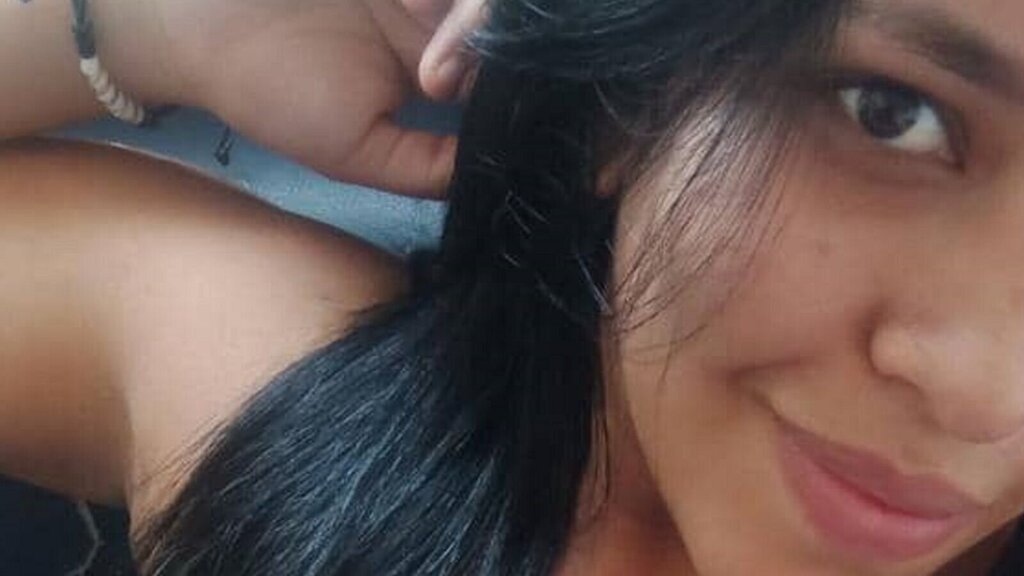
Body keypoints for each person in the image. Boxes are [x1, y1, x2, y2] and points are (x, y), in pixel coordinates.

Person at [2, 0, 1024, 574]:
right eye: (891, 112)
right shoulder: (272, 377)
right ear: (630, 101)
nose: (989, 400)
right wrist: (159, 28)